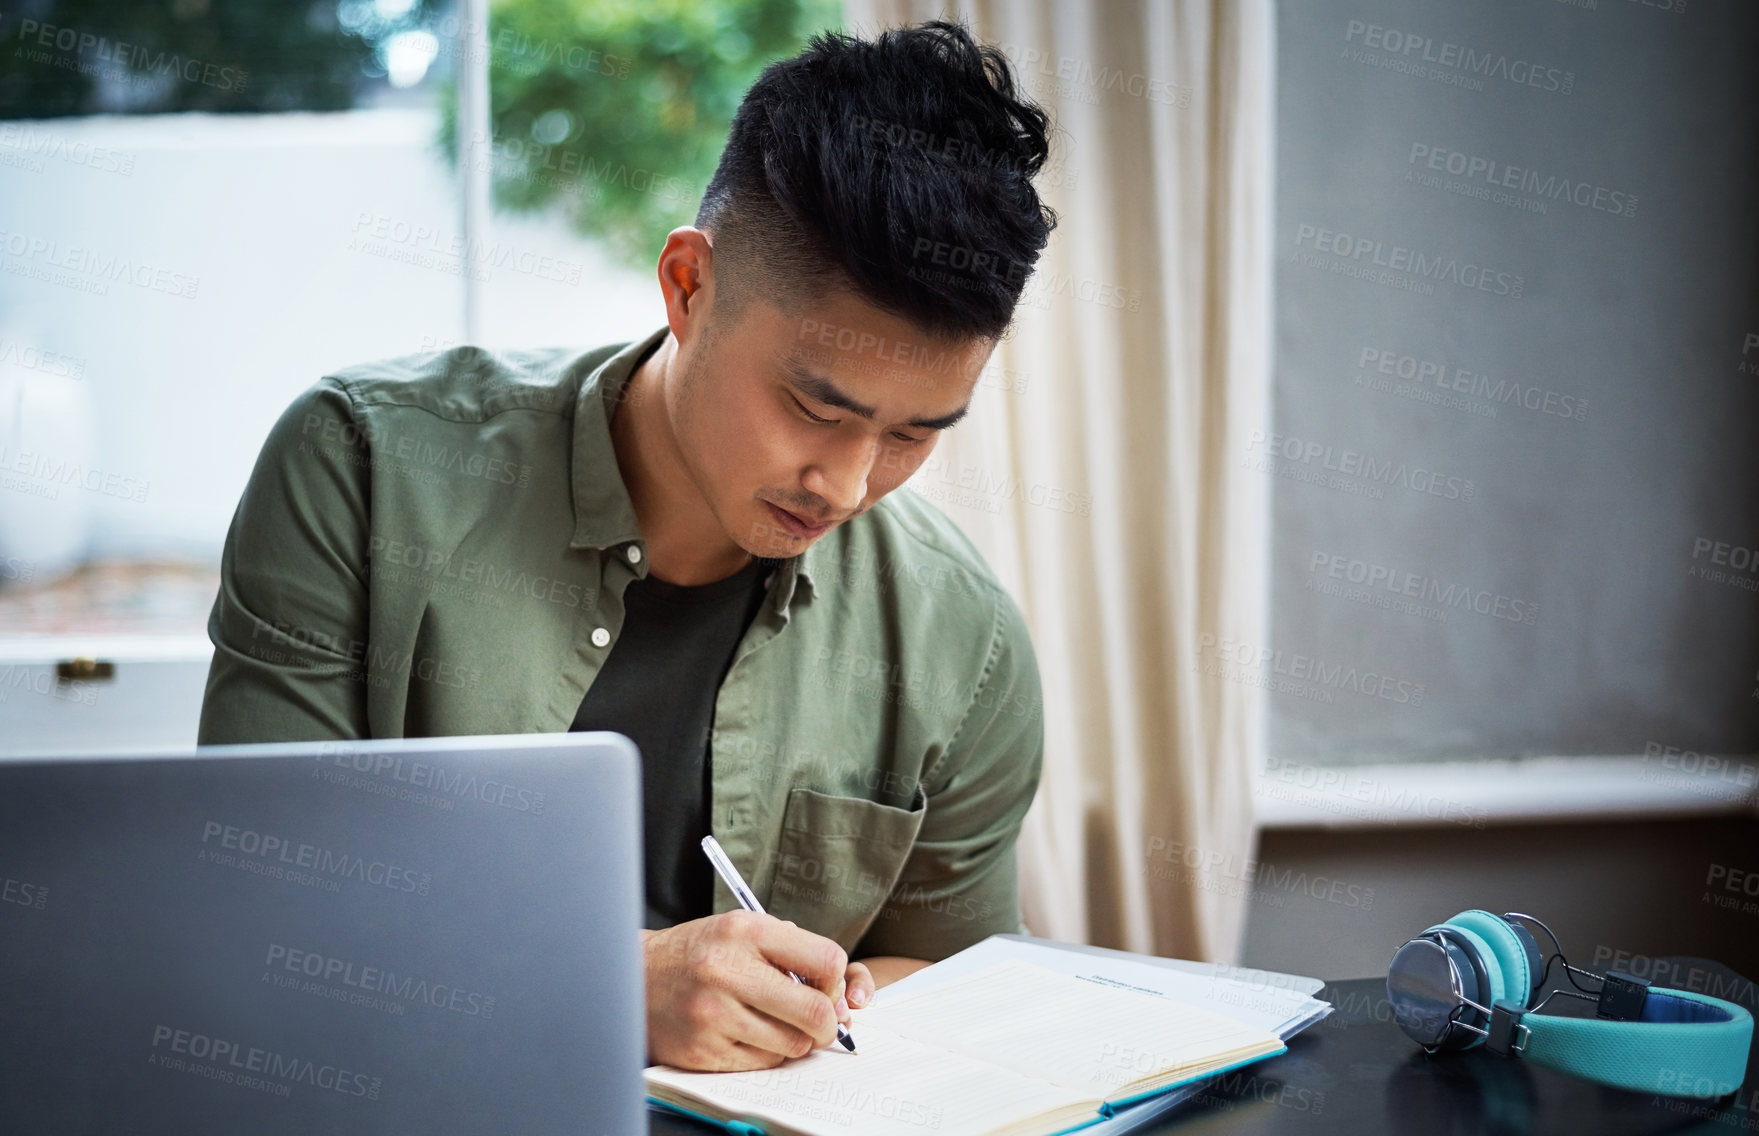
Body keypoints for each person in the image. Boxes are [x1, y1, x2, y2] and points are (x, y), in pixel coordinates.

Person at [198, 18, 1056, 1072]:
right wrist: (603, 982)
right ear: (688, 285)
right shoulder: (359, 470)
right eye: (813, 407)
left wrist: (862, 999)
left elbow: (957, 971)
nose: (845, 483)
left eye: (914, 434)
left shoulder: (961, 639)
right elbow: (255, 914)